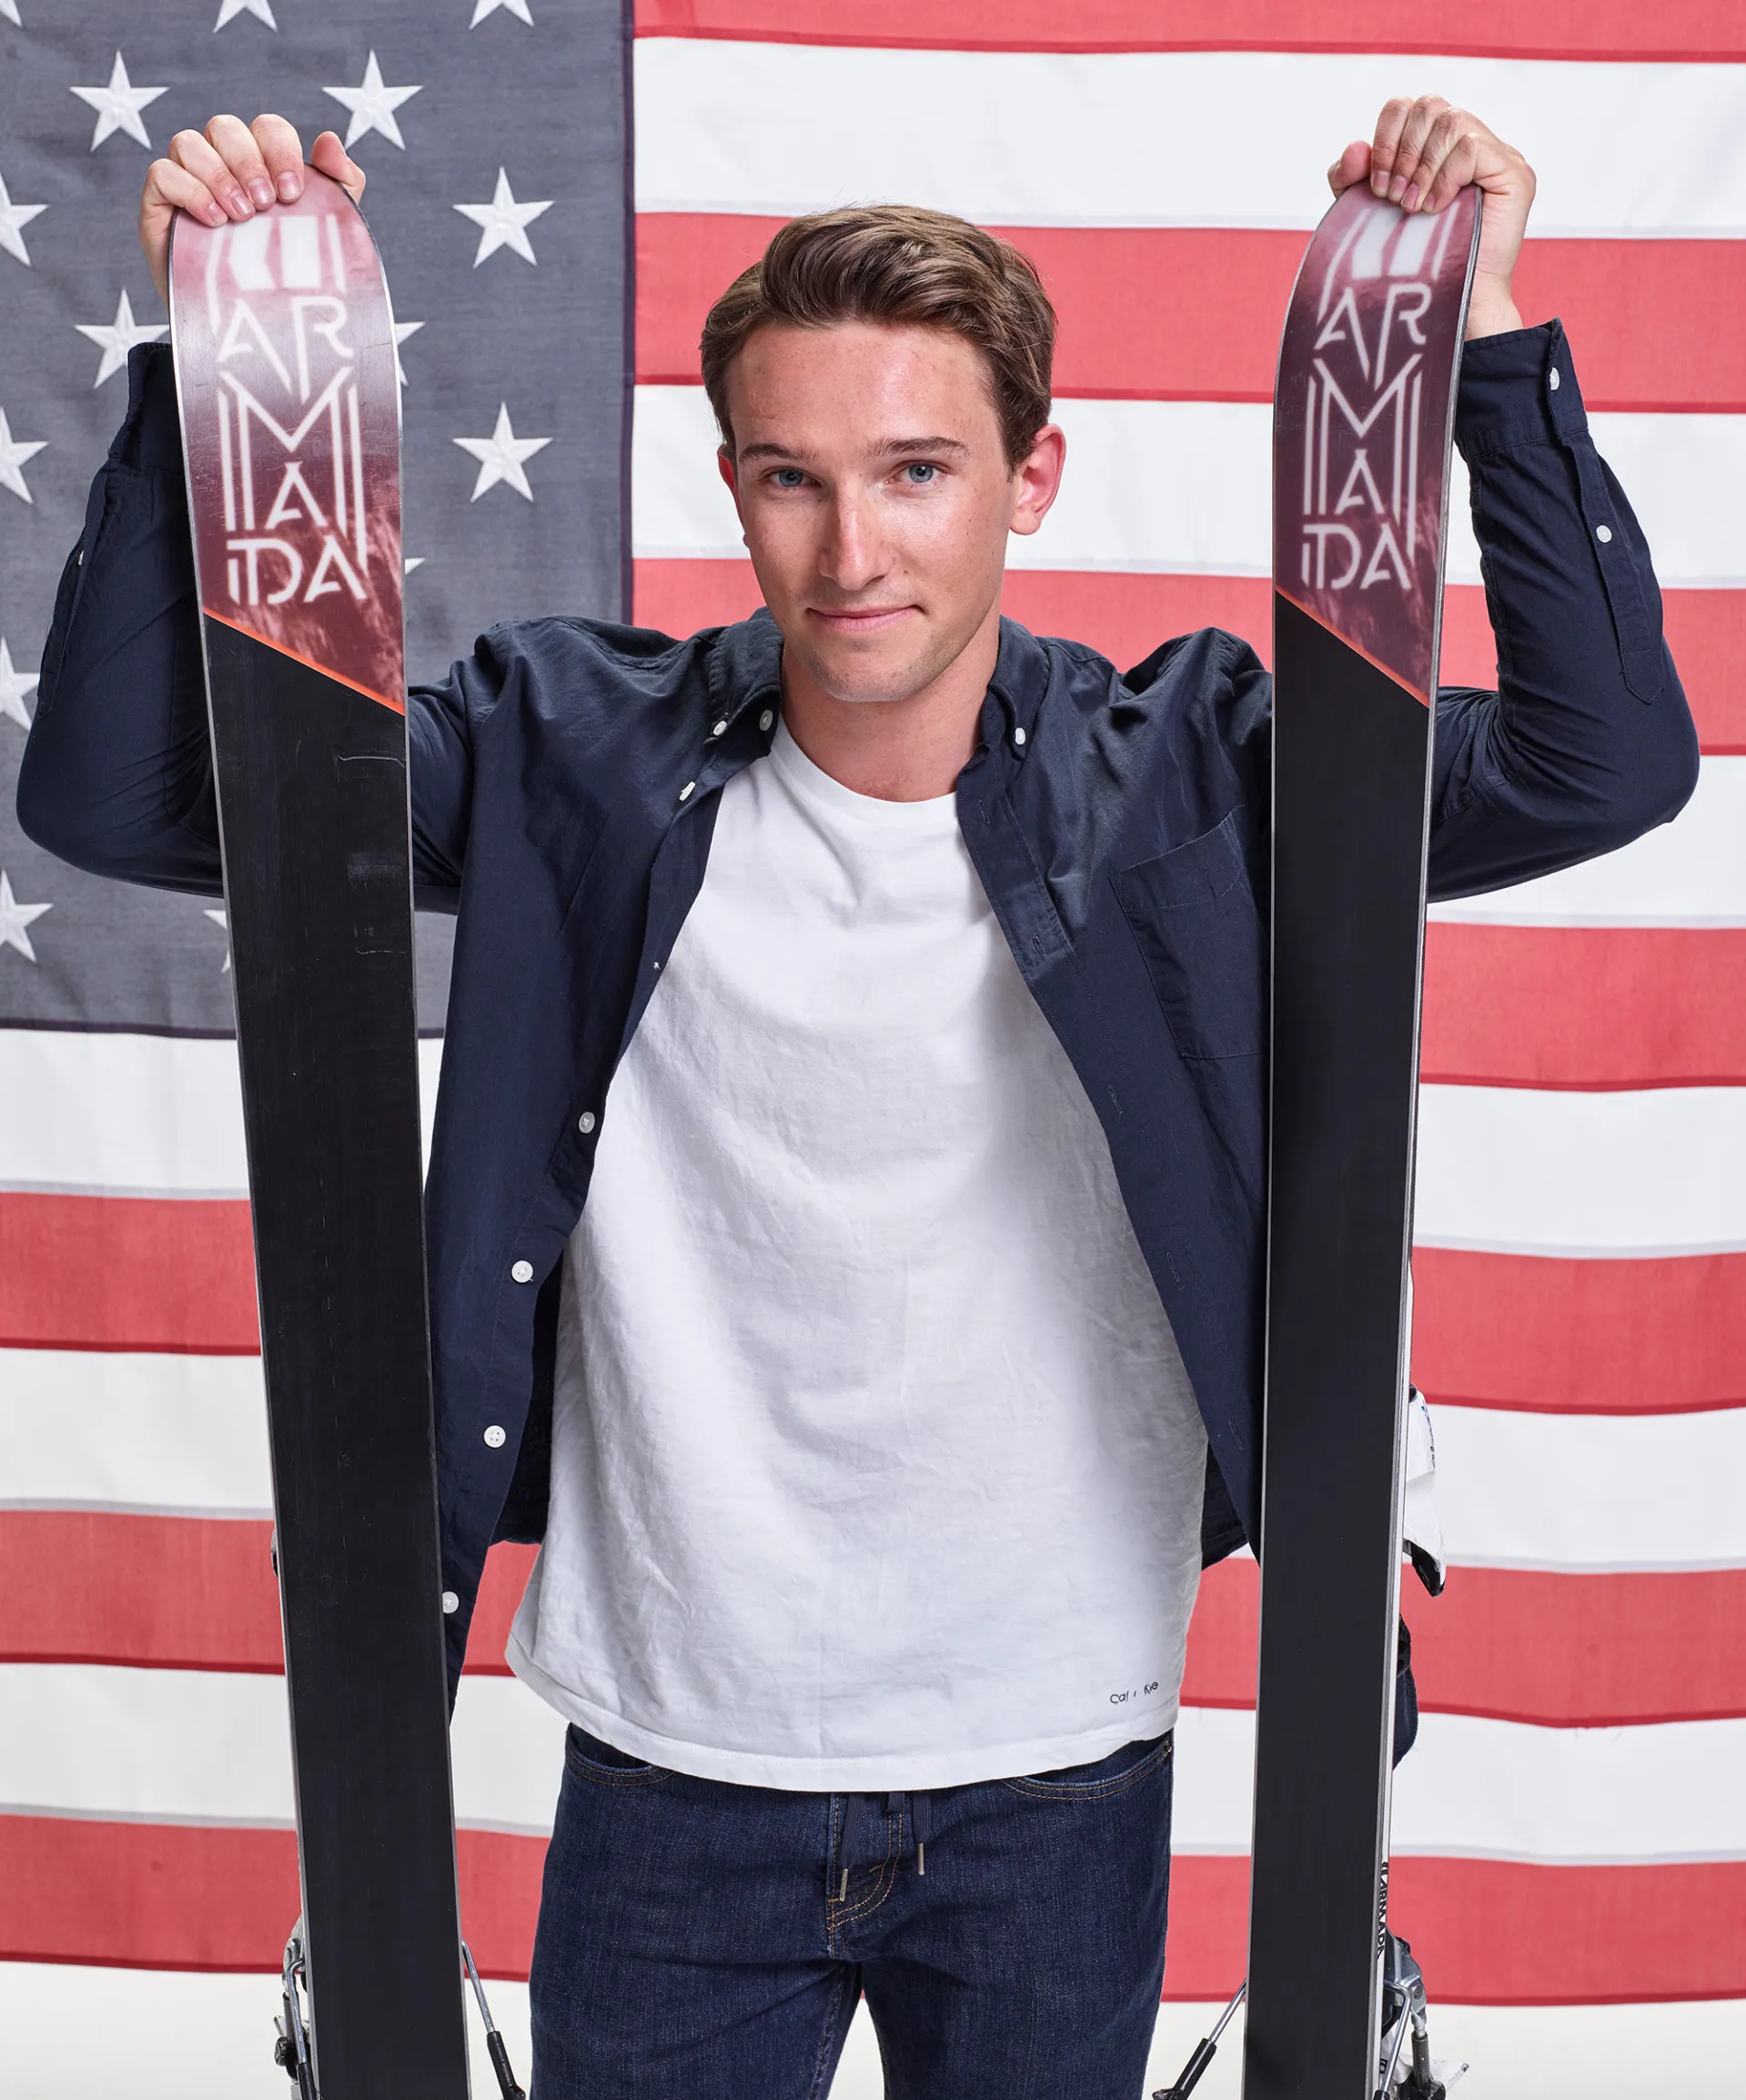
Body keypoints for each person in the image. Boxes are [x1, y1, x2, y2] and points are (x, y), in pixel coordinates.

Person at [20, 97, 1695, 2100]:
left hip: (1054, 1762)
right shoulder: (566, 757)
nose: (852, 549)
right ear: (733, 481)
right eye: (792, 478)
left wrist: (1482, 338)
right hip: (674, 1763)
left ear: (1028, 475)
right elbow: (121, 796)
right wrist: (208, 385)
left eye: (915, 470)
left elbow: (1603, 763)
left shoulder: (1199, 773)